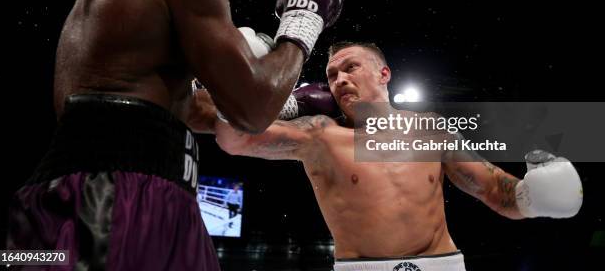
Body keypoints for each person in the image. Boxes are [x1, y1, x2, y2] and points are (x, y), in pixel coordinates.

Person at [7, 0, 344, 270]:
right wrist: (303, 21)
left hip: (78, 195)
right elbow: (251, 111)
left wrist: (289, 102)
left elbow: (187, 108)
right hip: (120, 198)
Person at [201, 42, 583, 271]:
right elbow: (234, 139)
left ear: (384, 73)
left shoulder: (431, 129)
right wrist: (263, 94)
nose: (339, 80)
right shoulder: (320, 134)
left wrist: (533, 197)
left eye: (350, 67)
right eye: (331, 75)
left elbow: (494, 192)